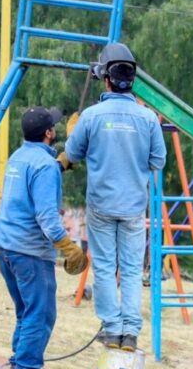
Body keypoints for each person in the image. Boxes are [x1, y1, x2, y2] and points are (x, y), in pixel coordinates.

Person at [61, 42, 166, 352]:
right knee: (132, 269)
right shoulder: (148, 119)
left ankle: (111, 328)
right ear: (131, 80)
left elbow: (73, 153)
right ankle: (130, 333)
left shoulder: (91, 116)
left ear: (105, 79)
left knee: (105, 267)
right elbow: (158, 161)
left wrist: (75, 133)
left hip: (101, 205)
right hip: (133, 206)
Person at [0, 106, 88, 369]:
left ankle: (18, 367)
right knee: (40, 314)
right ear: (48, 133)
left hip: (6, 247)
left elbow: (31, 187)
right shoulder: (45, 166)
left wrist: (62, 163)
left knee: (26, 312)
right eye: (54, 126)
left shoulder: (18, 157)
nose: (56, 129)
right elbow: (47, 217)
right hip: (30, 252)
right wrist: (69, 248)